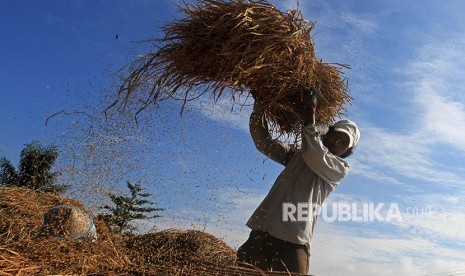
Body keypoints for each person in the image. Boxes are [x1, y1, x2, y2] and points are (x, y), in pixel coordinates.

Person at [237, 94, 360, 274]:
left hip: (293, 236)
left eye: (345, 143)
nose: (338, 143)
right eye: (337, 136)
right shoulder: (299, 155)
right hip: (265, 227)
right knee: (242, 272)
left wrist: (311, 116)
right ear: (329, 133)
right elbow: (264, 143)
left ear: (347, 152)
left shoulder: (338, 168)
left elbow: (313, 152)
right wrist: (260, 108)